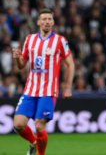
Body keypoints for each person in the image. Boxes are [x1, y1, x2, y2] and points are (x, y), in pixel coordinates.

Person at [12, 8, 75, 155]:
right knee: (18, 125)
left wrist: (67, 87)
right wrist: (17, 58)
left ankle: (41, 153)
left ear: (53, 22)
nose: (47, 21)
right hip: (30, 90)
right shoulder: (30, 39)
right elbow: (22, 65)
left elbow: (70, 64)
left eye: (49, 19)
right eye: (44, 19)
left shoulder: (60, 41)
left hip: (48, 91)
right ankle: (35, 143)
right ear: (38, 22)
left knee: (39, 126)